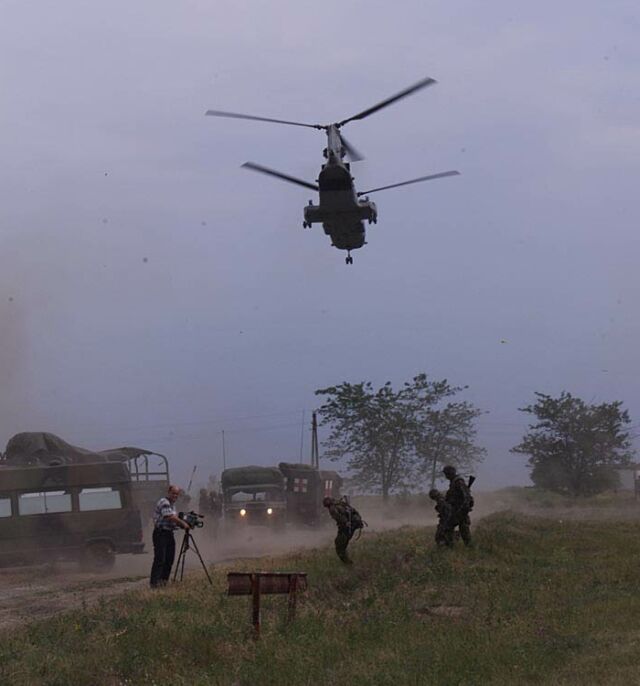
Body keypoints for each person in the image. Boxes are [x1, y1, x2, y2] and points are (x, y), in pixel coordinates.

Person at [149, 485, 192, 588]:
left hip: (168, 533)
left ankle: (163, 582)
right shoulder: (164, 502)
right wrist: (182, 523)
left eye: (177, 494)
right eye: (173, 493)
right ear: (168, 492)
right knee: (160, 559)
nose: (175, 496)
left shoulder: (172, 505)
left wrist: (184, 525)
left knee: (169, 559)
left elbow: (173, 520)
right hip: (160, 534)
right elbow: (169, 516)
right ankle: (154, 583)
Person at [323, 496, 364, 564]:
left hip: (347, 527)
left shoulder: (332, 508)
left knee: (339, 546)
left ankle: (348, 563)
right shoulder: (341, 503)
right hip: (354, 524)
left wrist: (345, 523)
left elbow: (339, 518)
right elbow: (354, 511)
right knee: (343, 544)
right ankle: (347, 561)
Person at [443, 465, 474, 546]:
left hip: (460, 510)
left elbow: (466, 497)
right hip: (456, 509)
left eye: (446, 474)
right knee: (450, 527)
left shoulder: (458, 482)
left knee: (463, 529)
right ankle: (450, 545)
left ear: (450, 473)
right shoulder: (453, 482)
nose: (446, 476)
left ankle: (468, 547)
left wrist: (463, 509)